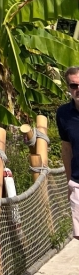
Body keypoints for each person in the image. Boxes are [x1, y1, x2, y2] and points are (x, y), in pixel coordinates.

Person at [57, 65, 79, 239]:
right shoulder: (63, 114)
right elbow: (66, 148)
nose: (78, 89)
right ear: (68, 88)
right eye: (74, 86)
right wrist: (68, 181)